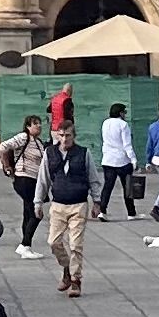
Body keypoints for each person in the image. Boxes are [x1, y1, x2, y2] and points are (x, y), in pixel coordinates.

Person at [37, 123, 92, 294]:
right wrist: (38, 201)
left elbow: (93, 177)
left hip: (79, 203)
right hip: (58, 204)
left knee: (76, 244)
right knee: (53, 242)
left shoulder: (83, 153)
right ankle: (66, 268)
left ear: (74, 136)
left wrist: (97, 201)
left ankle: (76, 280)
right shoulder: (50, 153)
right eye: (61, 135)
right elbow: (43, 178)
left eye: (68, 135)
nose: (64, 139)